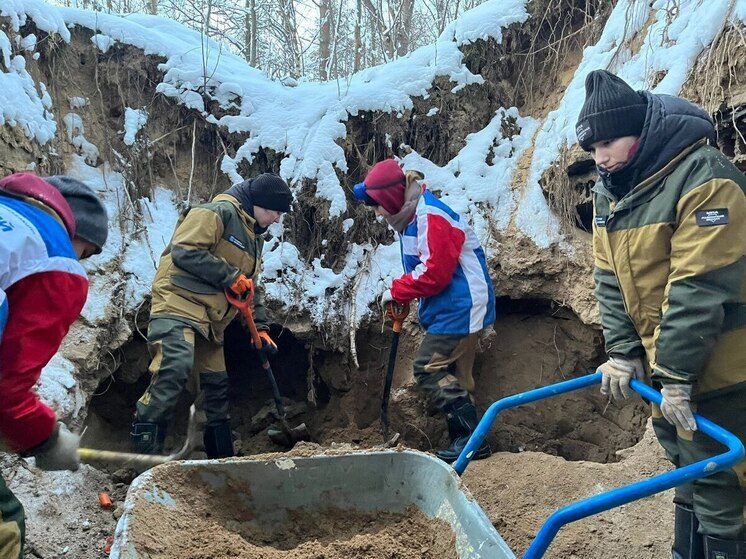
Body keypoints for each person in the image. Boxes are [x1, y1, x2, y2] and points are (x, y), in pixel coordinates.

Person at [577, 69, 746, 558]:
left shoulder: (705, 177)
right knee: (685, 466)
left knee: (723, 481)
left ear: (640, 129)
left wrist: (675, 375)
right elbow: (608, 277)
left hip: (723, 366)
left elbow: (699, 283)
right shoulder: (613, 189)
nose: (600, 157)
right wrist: (624, 352)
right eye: (591, 149)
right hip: (667, 364)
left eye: (608, 142)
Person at [131, 174, 292, 459]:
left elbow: (249, 288)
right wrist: (230, 276)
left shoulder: (254, 238)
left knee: (215, 390)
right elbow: (184, 250)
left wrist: (262, 328)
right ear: (258, 203)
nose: (277, 219)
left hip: (211, 320)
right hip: (178, 303)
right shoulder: (217, 213)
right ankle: (143, 464)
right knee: (174, 366)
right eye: (275, 211)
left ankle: (223, 467)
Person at [353, 159, 496, 463]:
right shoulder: (411, 218)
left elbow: (434, 273)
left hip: (463, 304)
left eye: (377, 205)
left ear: (391, 198)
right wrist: (406, 292)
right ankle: (468, 440)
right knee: (458, 374)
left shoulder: (430, 216)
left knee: (428, 367)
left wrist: (398, 289)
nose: (377, 212)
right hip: (451, 304)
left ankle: (472, 440)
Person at [0, 172, 108, 559]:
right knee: (5, 524)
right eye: (88, 252)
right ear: (75, 229)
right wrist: (44, 437)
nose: (83, 260)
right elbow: (5, 389)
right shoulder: (53, 258)